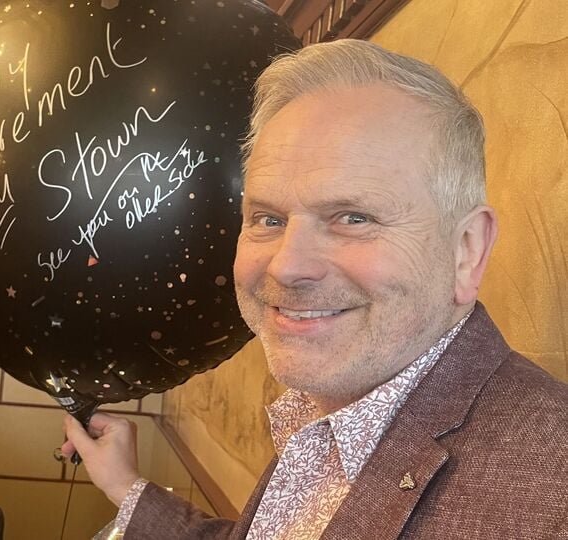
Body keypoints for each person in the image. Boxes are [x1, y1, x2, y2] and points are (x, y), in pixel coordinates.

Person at [62, 39, 568, 538]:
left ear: (466, 251)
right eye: (268, 219)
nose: (286, 267)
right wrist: (127, 487)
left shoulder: (551, 493)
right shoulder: (330, 407)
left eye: (353, 217)